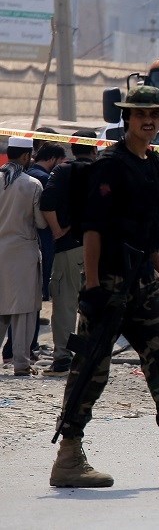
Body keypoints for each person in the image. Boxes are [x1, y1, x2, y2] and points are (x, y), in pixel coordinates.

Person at [51, 86, 159, 488]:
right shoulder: (110, 165)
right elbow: (94, 228)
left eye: (155, 115)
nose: (148, 120)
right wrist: (93, 285)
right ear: (126, 118)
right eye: (140, 114)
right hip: (109, 278)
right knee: (92, 365)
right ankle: (68, 456)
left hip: (143, 279)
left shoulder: (156, 163)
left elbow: (150, 232)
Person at [40, 131, 98, 376]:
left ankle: (63, 358)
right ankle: (93, 356)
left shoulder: (63, 171)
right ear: (95, 149)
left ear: (72, 149)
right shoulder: (107, 172)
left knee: (65, 304)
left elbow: (46, 202)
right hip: (103, 249)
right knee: (97, 304)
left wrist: (57, 231)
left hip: (70, 247)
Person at [0, 137, 46, 376]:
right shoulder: (32, 184)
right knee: (24, 311)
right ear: (27, 156)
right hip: (23, 253)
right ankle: (21, 363)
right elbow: (40, 222)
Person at [28, 144, 66, 302]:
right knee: (44, 271)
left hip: (28, 232)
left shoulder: (28, 173)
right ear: (52, 158)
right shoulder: (45, 178)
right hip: (44, 233)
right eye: (61, 161)